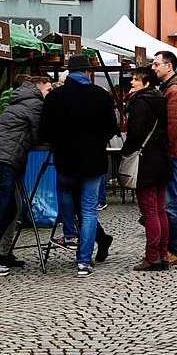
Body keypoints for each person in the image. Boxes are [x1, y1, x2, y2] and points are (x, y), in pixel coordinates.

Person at [41, 55, 119, 277]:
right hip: (93, 160)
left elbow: (44, 130)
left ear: (69, 73)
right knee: (89, 210)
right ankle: (83, 262)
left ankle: (70, 234)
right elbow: (111, 128)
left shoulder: (55, 96)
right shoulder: (101, 96)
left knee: (65, 193)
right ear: (88, 73)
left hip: (65, 160)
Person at [0, 76, 53, 278]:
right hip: (5, 159)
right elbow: (39, 135)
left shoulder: (19, 101)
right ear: (38, 87)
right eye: (48, 89)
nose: (50, 93)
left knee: (9, 210)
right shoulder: (35, 104)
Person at [122, 69, 170, 272]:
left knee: (150, 210)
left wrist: (127, 150)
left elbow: (135, 133)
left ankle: (152, 257)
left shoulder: (141, 102)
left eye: (136, 79)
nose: (132, 82)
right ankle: (163, 254)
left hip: (146, 161)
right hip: (161, 158)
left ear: (146, 83)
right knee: (160, 210)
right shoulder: (160, 99)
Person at [151, 51, 177, 266]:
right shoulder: (173, 88)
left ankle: (174, 249)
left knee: (172, 201)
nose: (153, 67)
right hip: (174, 152)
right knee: (171, 199)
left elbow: (172, 126)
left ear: (169, 66)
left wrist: (164, 153)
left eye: (157, 64)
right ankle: (171, 246)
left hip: (172, 153)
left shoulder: (175, 91)